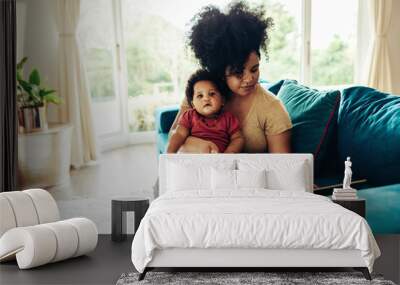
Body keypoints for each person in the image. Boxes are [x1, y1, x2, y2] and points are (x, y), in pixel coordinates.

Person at [169, 1, 292, 153]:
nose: (249, 79)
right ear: (219, 71)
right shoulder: (201, 93)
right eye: (238, 73)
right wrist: (195, 145)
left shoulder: (272, 109)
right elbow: (173, 137)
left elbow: (283, 168)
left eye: (254, 69)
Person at [167, 69, 244, 154]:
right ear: (193, 104)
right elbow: (179, 134)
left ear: (222, 100)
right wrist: (170, 152)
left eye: (212, 94)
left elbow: (237, 138)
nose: (206, 99)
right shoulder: (189, 116)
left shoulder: (228, 118)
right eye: (200, 96)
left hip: (219, 160)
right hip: (193, 158)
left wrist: (229, 152)